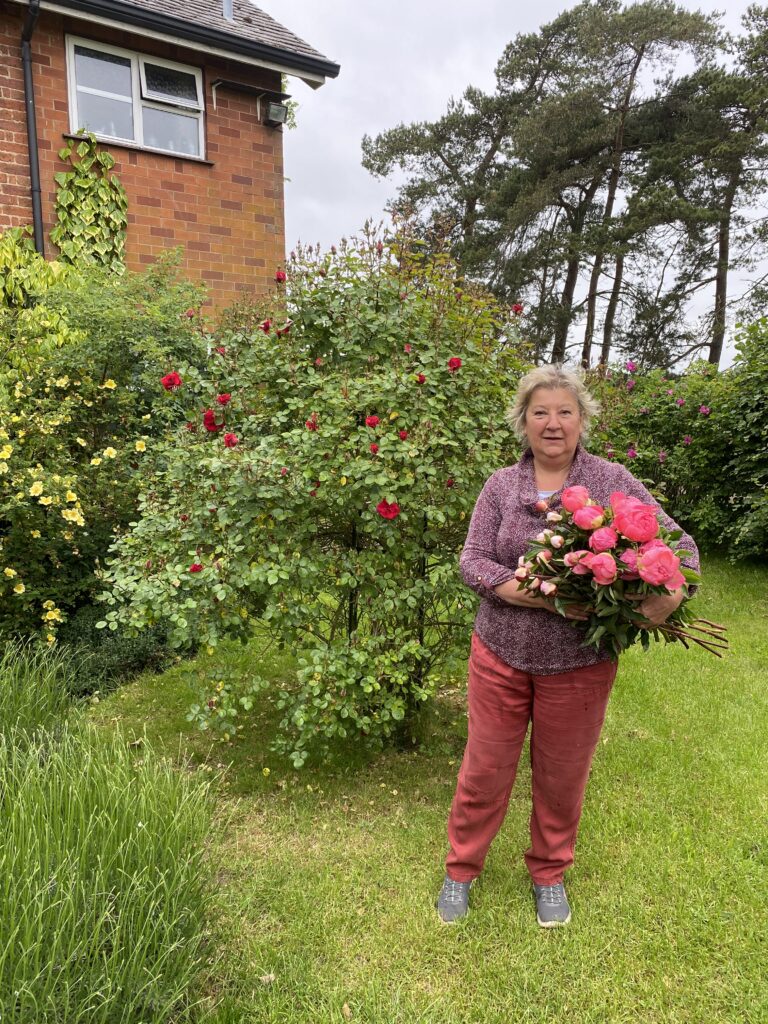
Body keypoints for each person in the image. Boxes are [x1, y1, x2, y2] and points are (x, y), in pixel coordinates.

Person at [436, 364, 699, 927]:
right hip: (499, 654)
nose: (552, 423)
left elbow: (681, 545)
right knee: (484, 769)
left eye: (564, 412)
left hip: (580, 663)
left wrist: (672, 591)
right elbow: (472, 560)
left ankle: (549, 874)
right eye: (540, 412)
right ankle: (461, 869)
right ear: (523, 422)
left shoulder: (611, 480)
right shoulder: (500, 486)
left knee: (562, 775)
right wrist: (539, 597)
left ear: (582, 420)